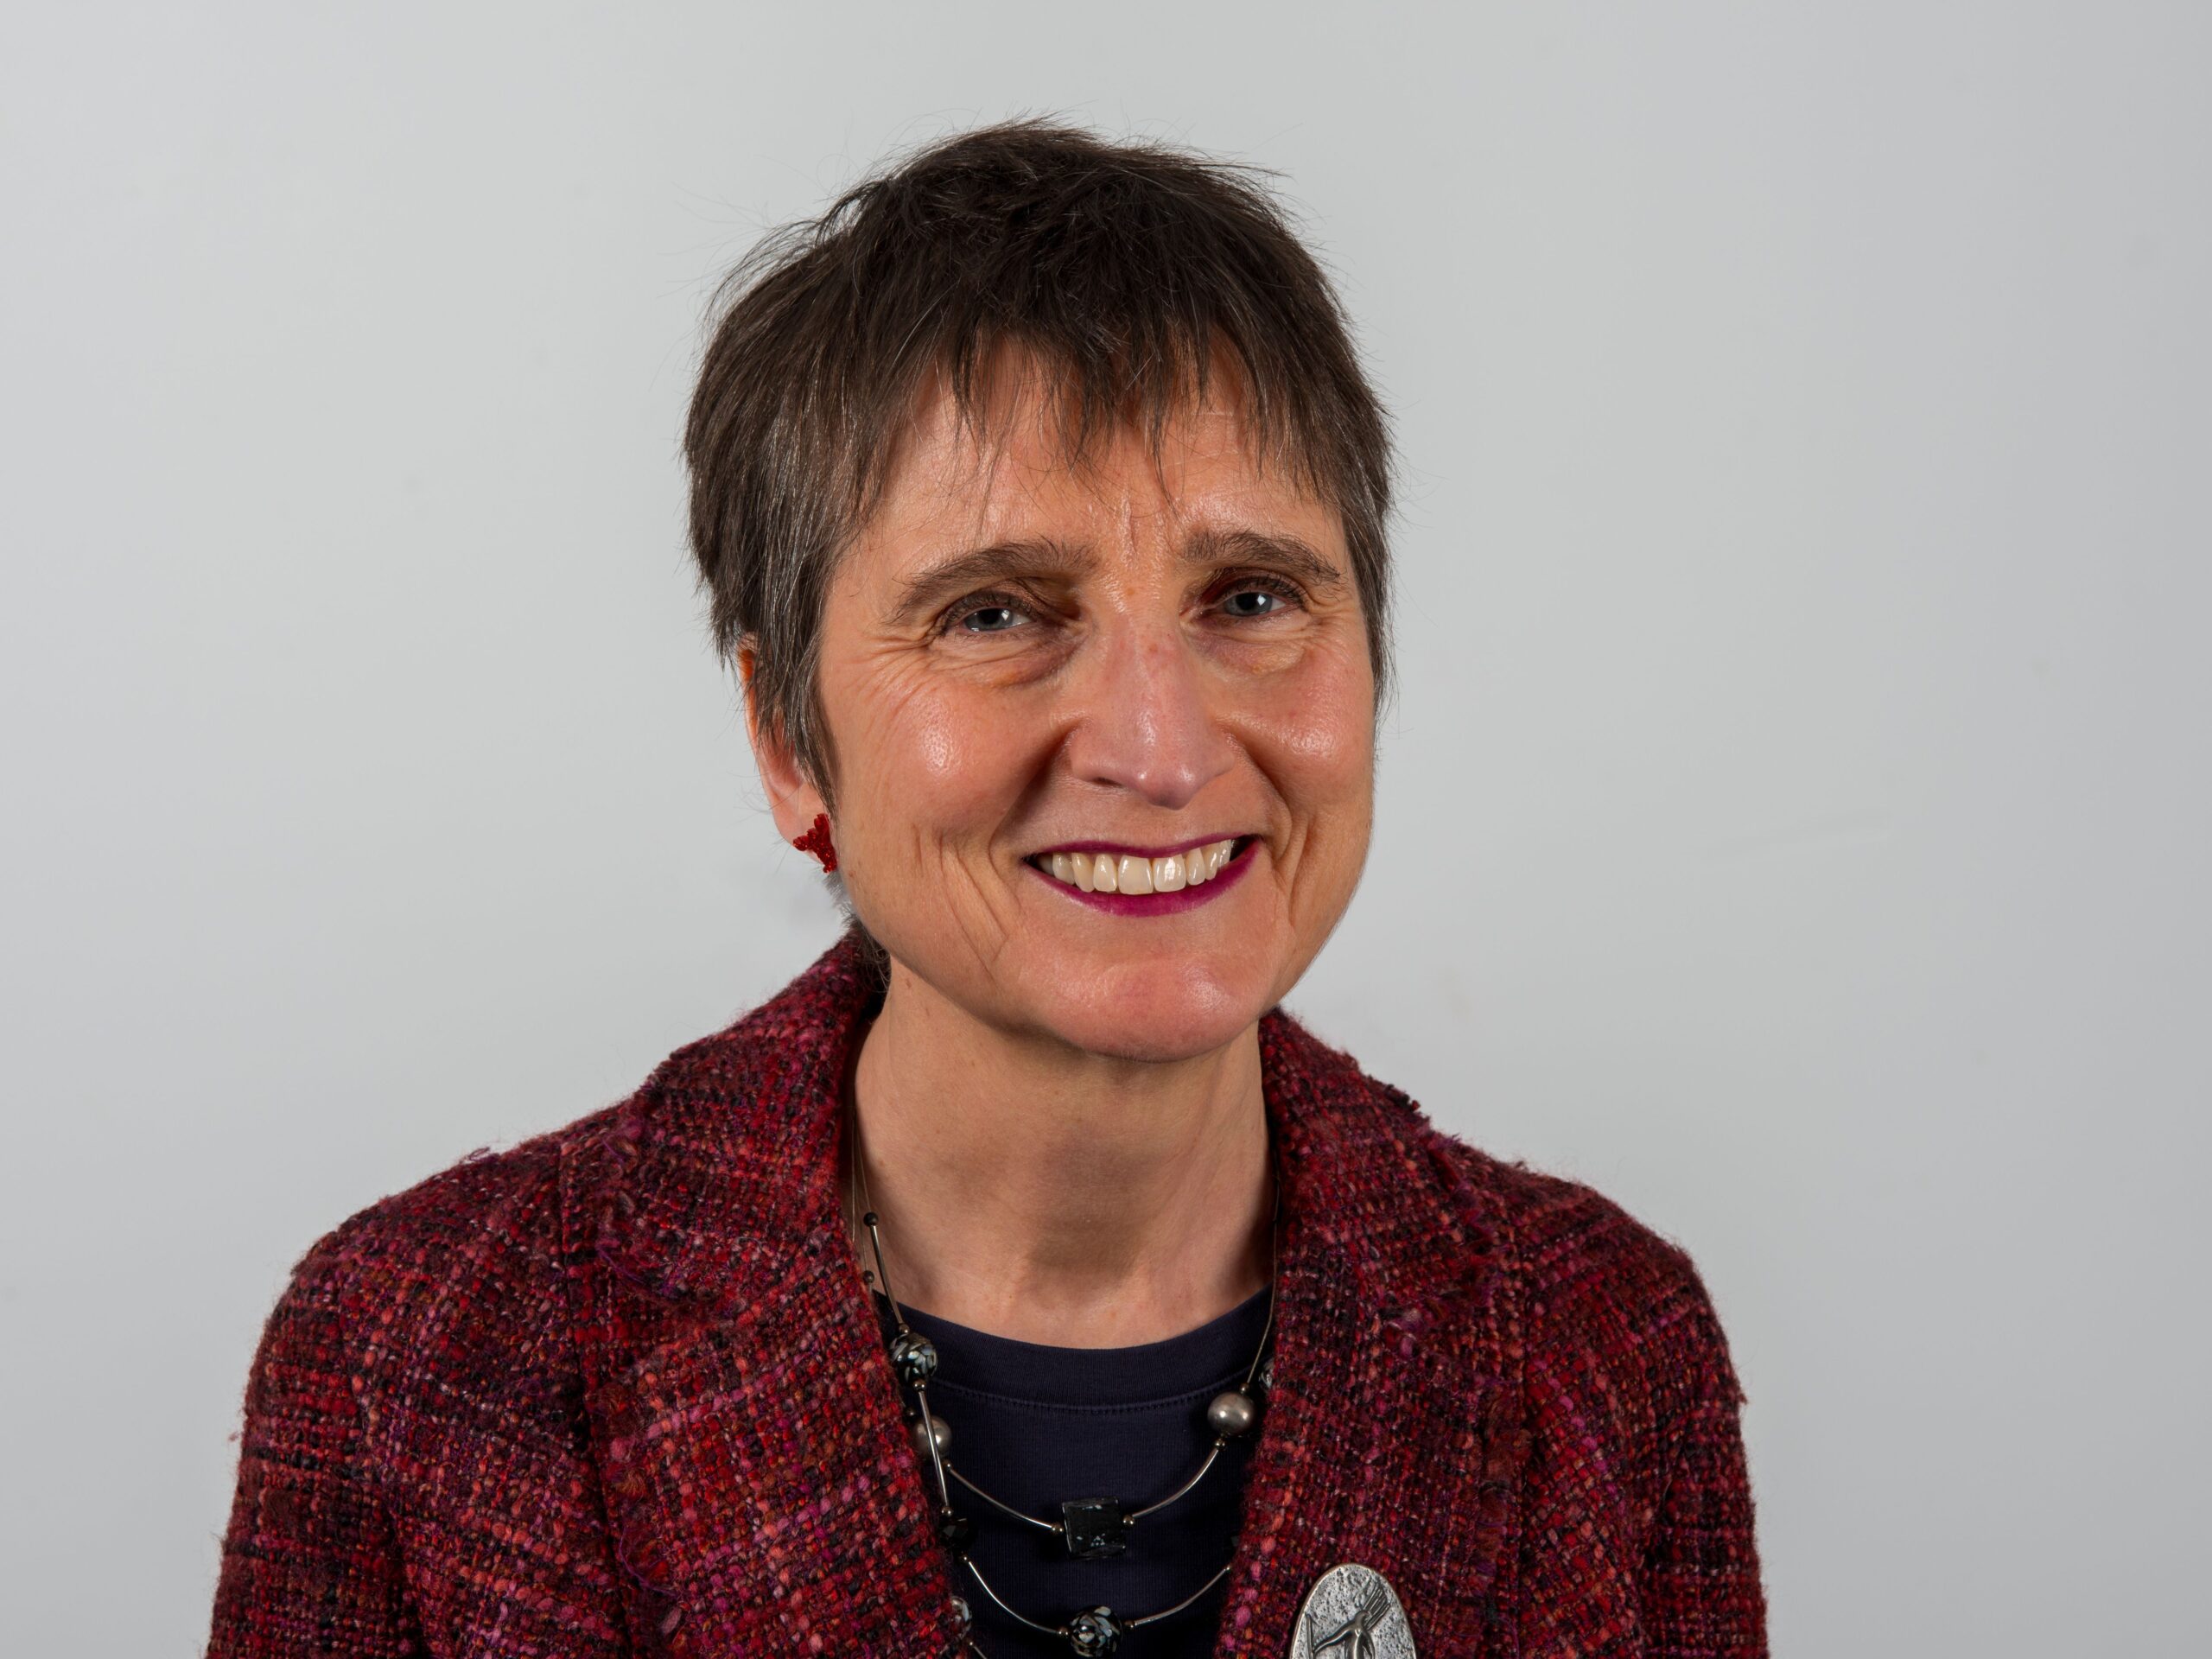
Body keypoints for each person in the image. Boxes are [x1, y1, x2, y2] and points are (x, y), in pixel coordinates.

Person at [207, 120, 1768, 1659]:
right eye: (997, 614)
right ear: (788, 740)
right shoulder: (424, 1361)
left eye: (1250, 597)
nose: (1161, 751)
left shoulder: (1603, 1348)